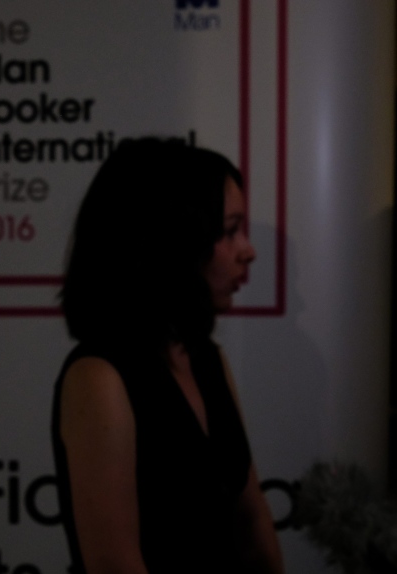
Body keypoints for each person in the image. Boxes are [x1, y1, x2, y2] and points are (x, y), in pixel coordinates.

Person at [51, 138, 283, 573]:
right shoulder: (98, 377)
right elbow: (116, 564)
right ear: (173, 242)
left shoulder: (206, 358)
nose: (248, 250)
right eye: (229, 230)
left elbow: (252, 521)